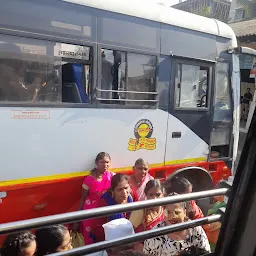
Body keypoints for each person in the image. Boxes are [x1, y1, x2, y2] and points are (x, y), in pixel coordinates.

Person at [143, 193, 211, 256]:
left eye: (177, 212)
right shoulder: (154, 235)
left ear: (184, 212)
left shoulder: (195, 229)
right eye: (168, 212)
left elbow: (206, 252)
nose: (172, 216)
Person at [73, 152, 115, 244]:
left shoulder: (112, 176)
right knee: (90, 239)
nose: (105, 165)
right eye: (102, 162)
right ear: (96, 163)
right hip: (90, 213)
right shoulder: (89, 179)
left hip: (105, 212)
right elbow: (82, 199)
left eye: (107, 162)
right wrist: (77, 220)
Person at [91, 173, 134, 242]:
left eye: (126, 188)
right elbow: (97, 229)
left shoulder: (131, 197)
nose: (124, 192)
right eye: (119, 190)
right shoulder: (104, 202)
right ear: (113, 191)